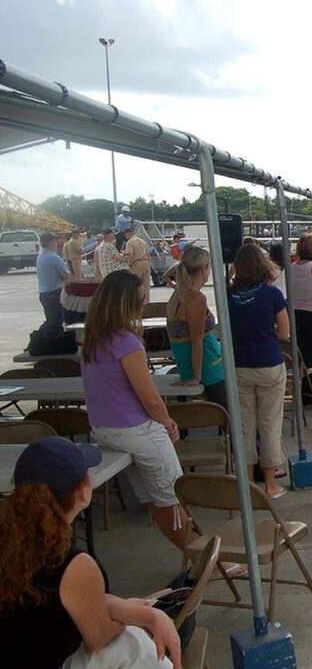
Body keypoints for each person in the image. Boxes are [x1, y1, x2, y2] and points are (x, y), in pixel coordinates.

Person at [0, 437, 237, 669]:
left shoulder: (11, 541)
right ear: (84, 491)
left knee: (135, 645)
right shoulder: (73, 563)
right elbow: (98, 637)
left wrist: (145, 613)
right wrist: (138, 616)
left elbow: (70, 597)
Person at [81, 271, 191, 554]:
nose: (143, 305)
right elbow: (150, 398)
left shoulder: (92, 341)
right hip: (137, 430)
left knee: (155, 501)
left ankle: (197, 556)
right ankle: (204, 558)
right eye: (140, 300)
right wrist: (167, 421)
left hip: (105, 429)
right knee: (173, 499)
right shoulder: (126, 342)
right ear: (126, 304)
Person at [228, 244, 288, 499]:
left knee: (245, 427)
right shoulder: (272, 294)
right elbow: (284, 332)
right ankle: (271, 485)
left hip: (239, 366)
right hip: (269, 363)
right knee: (270, 425)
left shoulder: (227, 296)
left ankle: (248, 482)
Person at [167, 246, 227, 408]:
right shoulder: (195, 297)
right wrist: (196, 376)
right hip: (207, 367)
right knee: (229, 412)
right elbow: (197, 341)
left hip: (191, 363)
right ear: (203, 268)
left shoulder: (178, 293)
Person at [290, 233, 312, 404]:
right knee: (311, 355)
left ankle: (308, 392)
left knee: (304, 355)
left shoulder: (291, 268)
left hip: (295, 315)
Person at [37, 231, 70, 335]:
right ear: (51, 242)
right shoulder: (54, 257)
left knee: (51, 321)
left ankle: (51, 343)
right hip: (53, 293)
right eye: (55, 241)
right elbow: (66, 275)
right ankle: (56, 345)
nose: (57, 243)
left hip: (44, 293)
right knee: (56, 323)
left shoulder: (41, 256)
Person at [122, 227, 150, 303]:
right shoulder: (142, 241)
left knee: (134, 284)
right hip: (145, 262)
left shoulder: (130, 242)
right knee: (146, 284)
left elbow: (130, 255)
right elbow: (148, 253)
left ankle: (135, 301)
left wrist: (130, 264)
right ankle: (146, 301)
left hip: (137, 263)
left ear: (128, 234)